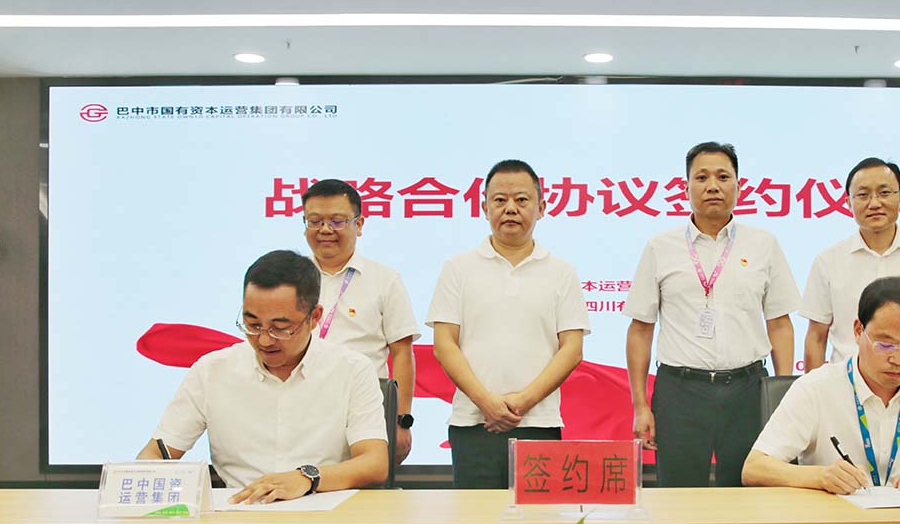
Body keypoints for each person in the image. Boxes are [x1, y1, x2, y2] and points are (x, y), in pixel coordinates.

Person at [137, 249, 389, 503]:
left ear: (314, 317)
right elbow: (155, 454)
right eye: (253, 325)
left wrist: (307, 478)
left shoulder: (352, 369)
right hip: (239, 514)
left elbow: (374, 463)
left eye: (280, 328)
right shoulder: (212, 370)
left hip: (326, 514)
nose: (265, 340)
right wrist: (147, 477)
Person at [624, 141, 801, 487]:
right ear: (686, 187)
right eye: (701, 177)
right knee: (678, 495)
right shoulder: (661, 247)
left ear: (739, 185)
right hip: (680, 392)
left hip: (748, 391)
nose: (713, 186)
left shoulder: (763, 244)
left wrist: (782, 396)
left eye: (723, 176)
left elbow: (780, 323)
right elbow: (640, 330)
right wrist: (640, 406)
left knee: (749, 491)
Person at [426, 159, 590, 489]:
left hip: (539, 423)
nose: (510, 208)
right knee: (477, 519)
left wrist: (523, 401)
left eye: (522, 199)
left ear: (541, 208)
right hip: (473, 423)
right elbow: (444, 344)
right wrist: (487, 402)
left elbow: (571, 349)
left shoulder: (561, 271)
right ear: (484, 207)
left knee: (538, 520)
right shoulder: (458, 268)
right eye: (500, 200)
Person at [743, 276, 900, 492]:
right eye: (885, 345)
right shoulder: (816, 388)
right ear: (858, 331)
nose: (898, 359)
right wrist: (820, 476)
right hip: (836, 519)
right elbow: (754, 468)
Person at [801, 157, 900, 393]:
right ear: (848, 203)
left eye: (884, 193)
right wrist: (813, 396)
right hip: (845, 391)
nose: (874, 203)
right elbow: (817, 336)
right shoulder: (828, 260)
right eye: (863, 195)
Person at [301, 179, 420, 464]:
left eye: (337, 221)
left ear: (359, 224)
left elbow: (402, 353)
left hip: (365, 410)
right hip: (300, 405)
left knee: (364, 483)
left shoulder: (384, 279)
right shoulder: (291, 279)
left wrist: (401, 420)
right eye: (314, 221)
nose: (325, 230)